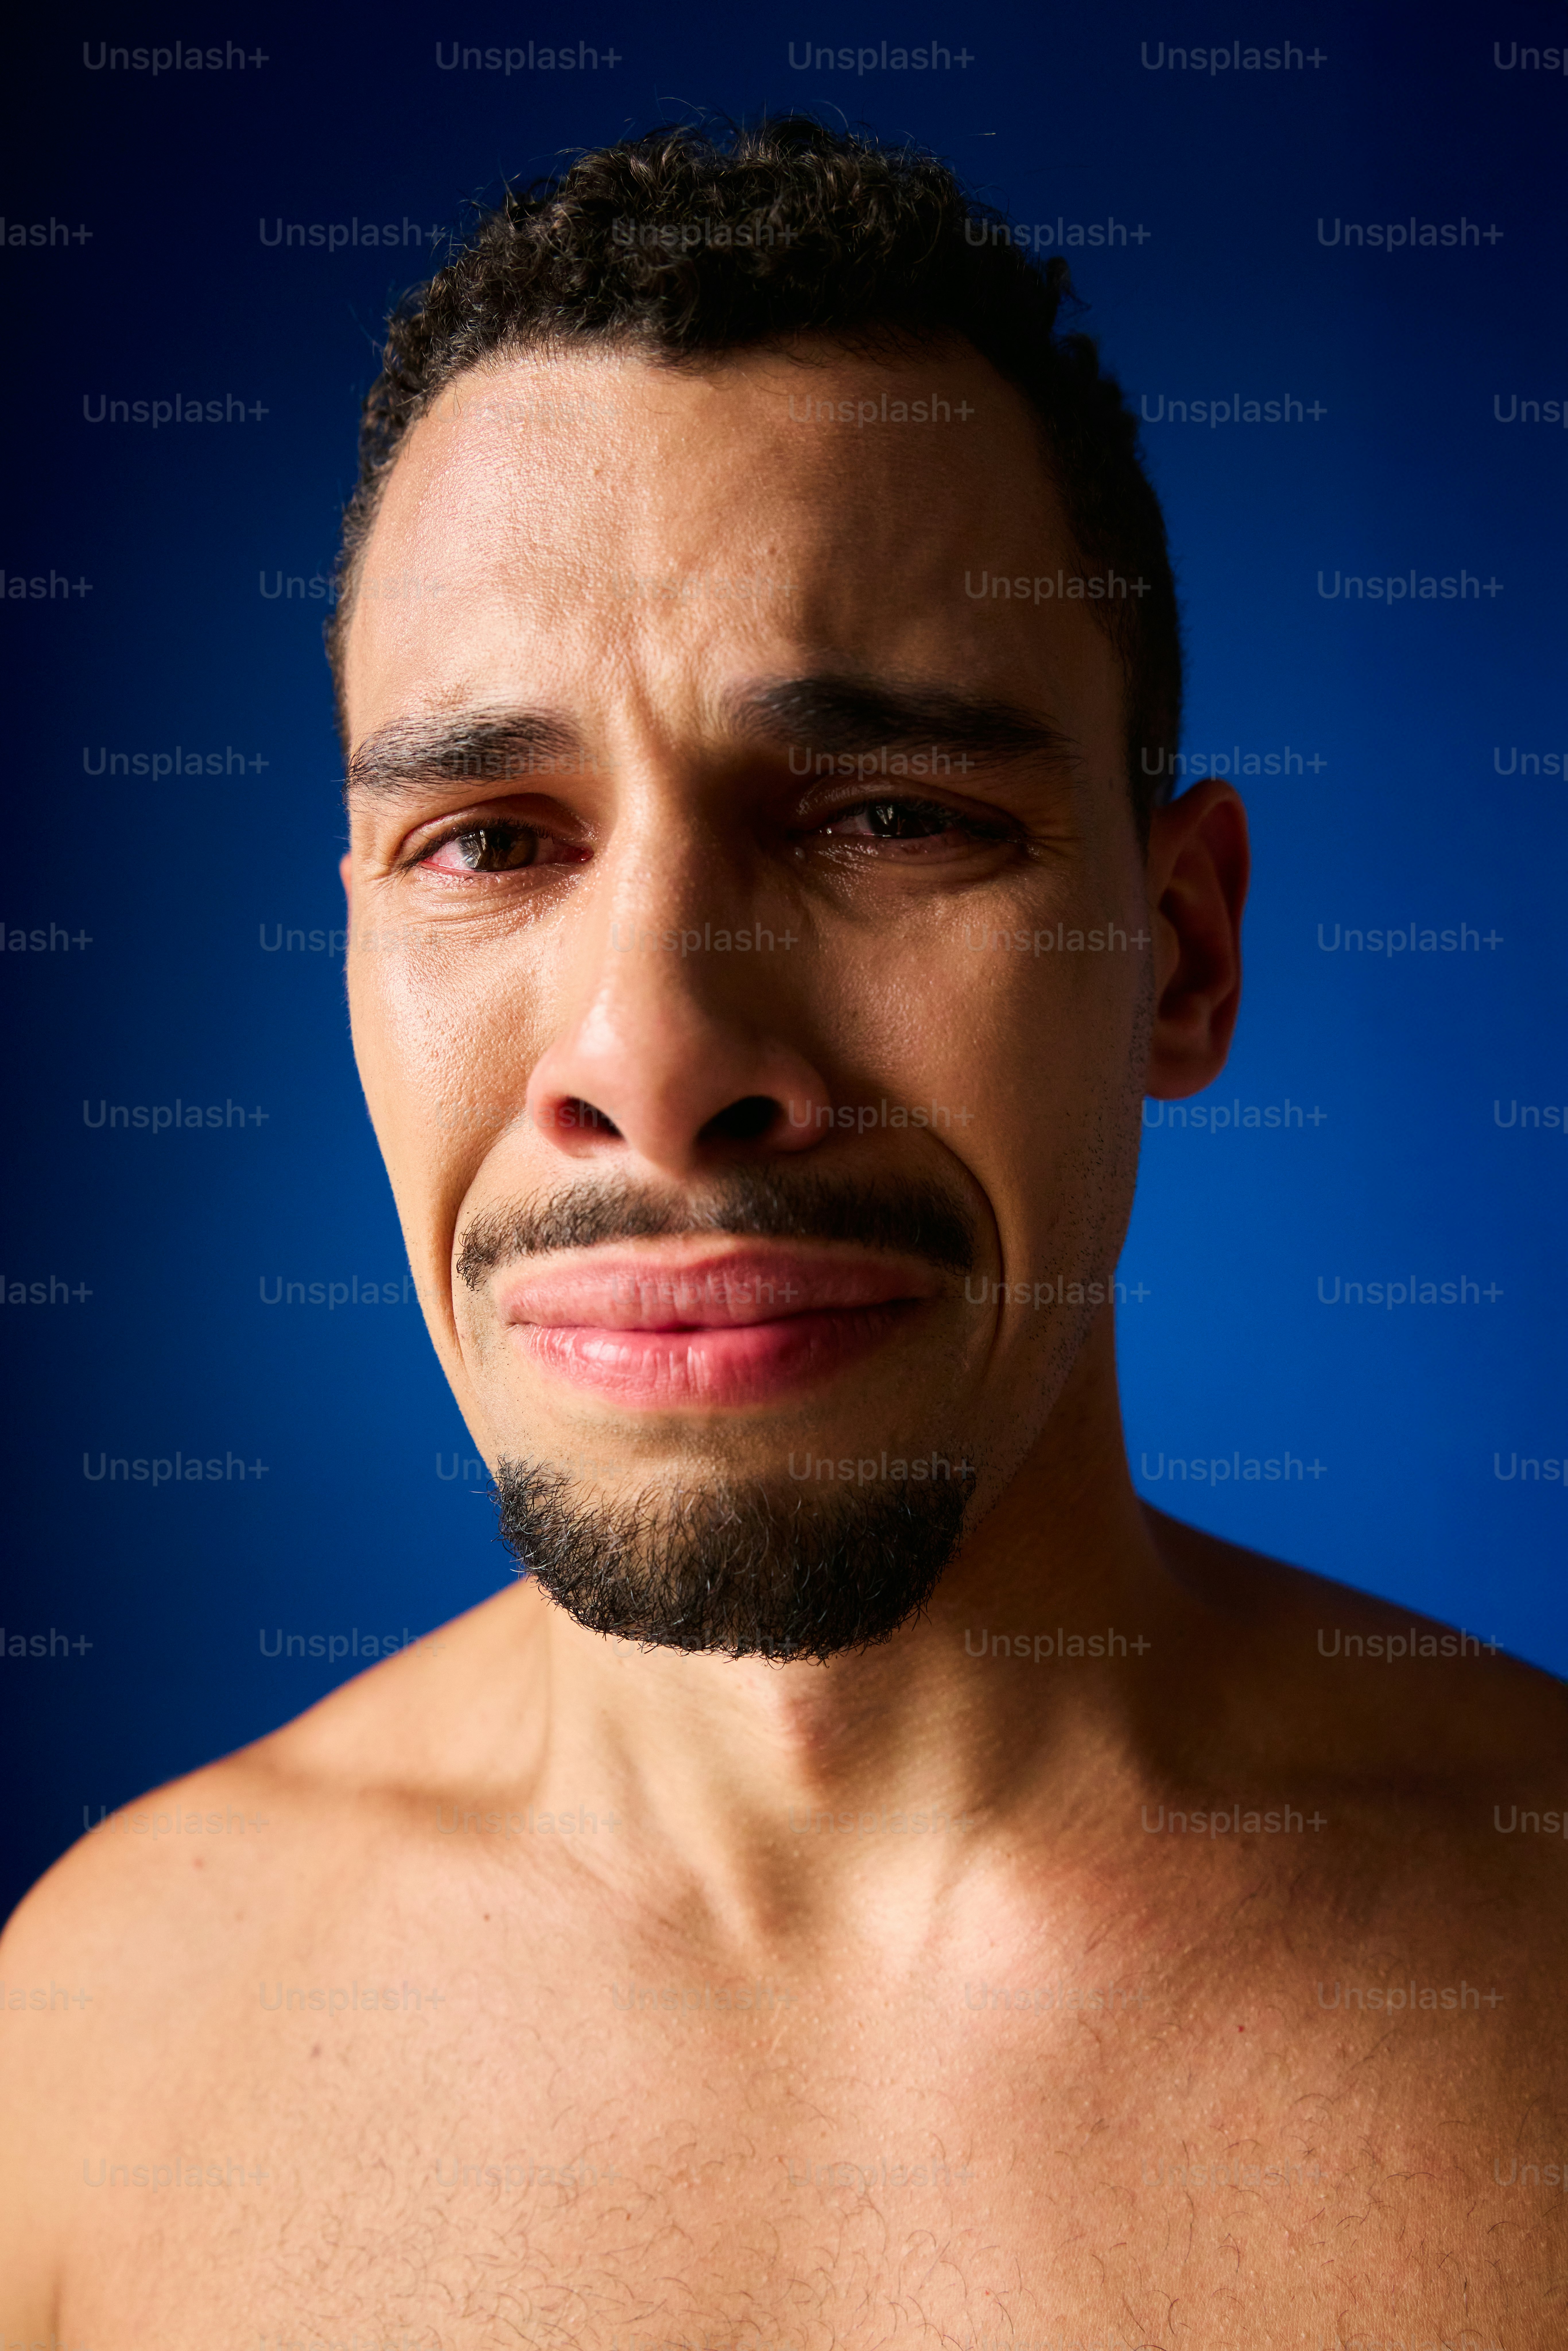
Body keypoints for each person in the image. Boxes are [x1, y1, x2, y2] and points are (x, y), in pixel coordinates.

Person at [3, 119, 1561, 2348]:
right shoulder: (85, 2049)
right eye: (486, 838)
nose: (652, 1053)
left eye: (882, 817)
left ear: (1181, 953)